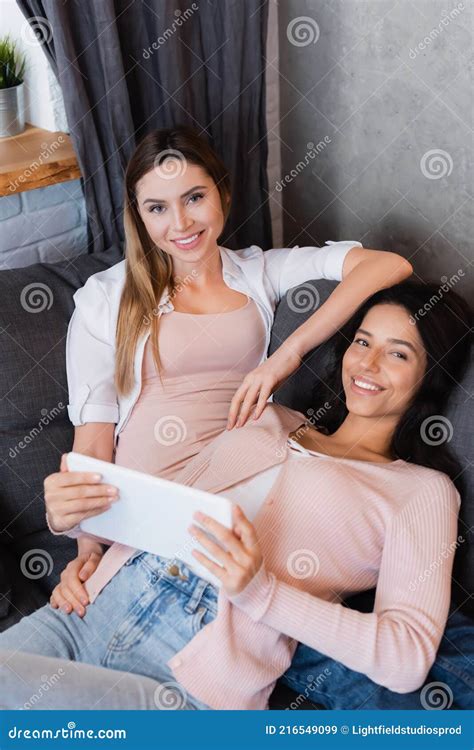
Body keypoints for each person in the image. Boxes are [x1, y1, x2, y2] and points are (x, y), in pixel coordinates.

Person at [0, 281, 471, 711]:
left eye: (398, 354)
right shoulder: (266, 415)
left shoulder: (422, 491)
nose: (367, 364)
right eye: (363, 342)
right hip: (85, 616)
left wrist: (261, 592)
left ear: (430, 375)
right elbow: (164, 503)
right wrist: (74, 521)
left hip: (190, 683)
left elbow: (405, 657)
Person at [50, 124, 411, 617]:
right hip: (142, 515)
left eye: (194, 197)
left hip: (235, 499)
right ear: (139, 215)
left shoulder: (260, 272)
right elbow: (92, 446)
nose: (180, 223)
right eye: (157, 207)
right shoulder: (105, 298)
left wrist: (289, 354)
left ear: (222, 192)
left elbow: (387, 265)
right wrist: (88, 553)